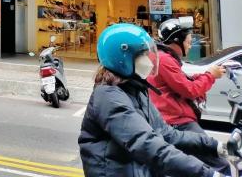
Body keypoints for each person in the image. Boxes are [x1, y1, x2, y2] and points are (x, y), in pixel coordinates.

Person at [79, 23, 227, 177]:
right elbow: (146, 143)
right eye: (142, 55)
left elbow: (167, 133)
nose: (149, 61)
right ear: (123, 58)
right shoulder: (108, 97)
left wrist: (215, 146)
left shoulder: (137, 91)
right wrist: (208, 174)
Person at [147, 16, 229, 173]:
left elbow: (180, 81)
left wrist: (204, 75)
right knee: (220, 164)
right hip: (178, 123)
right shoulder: (164, 60)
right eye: (188, 42)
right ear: (176, 41)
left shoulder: (163, 57)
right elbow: (190, 90)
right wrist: (210, 76)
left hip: (171, 120)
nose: (190, 46)